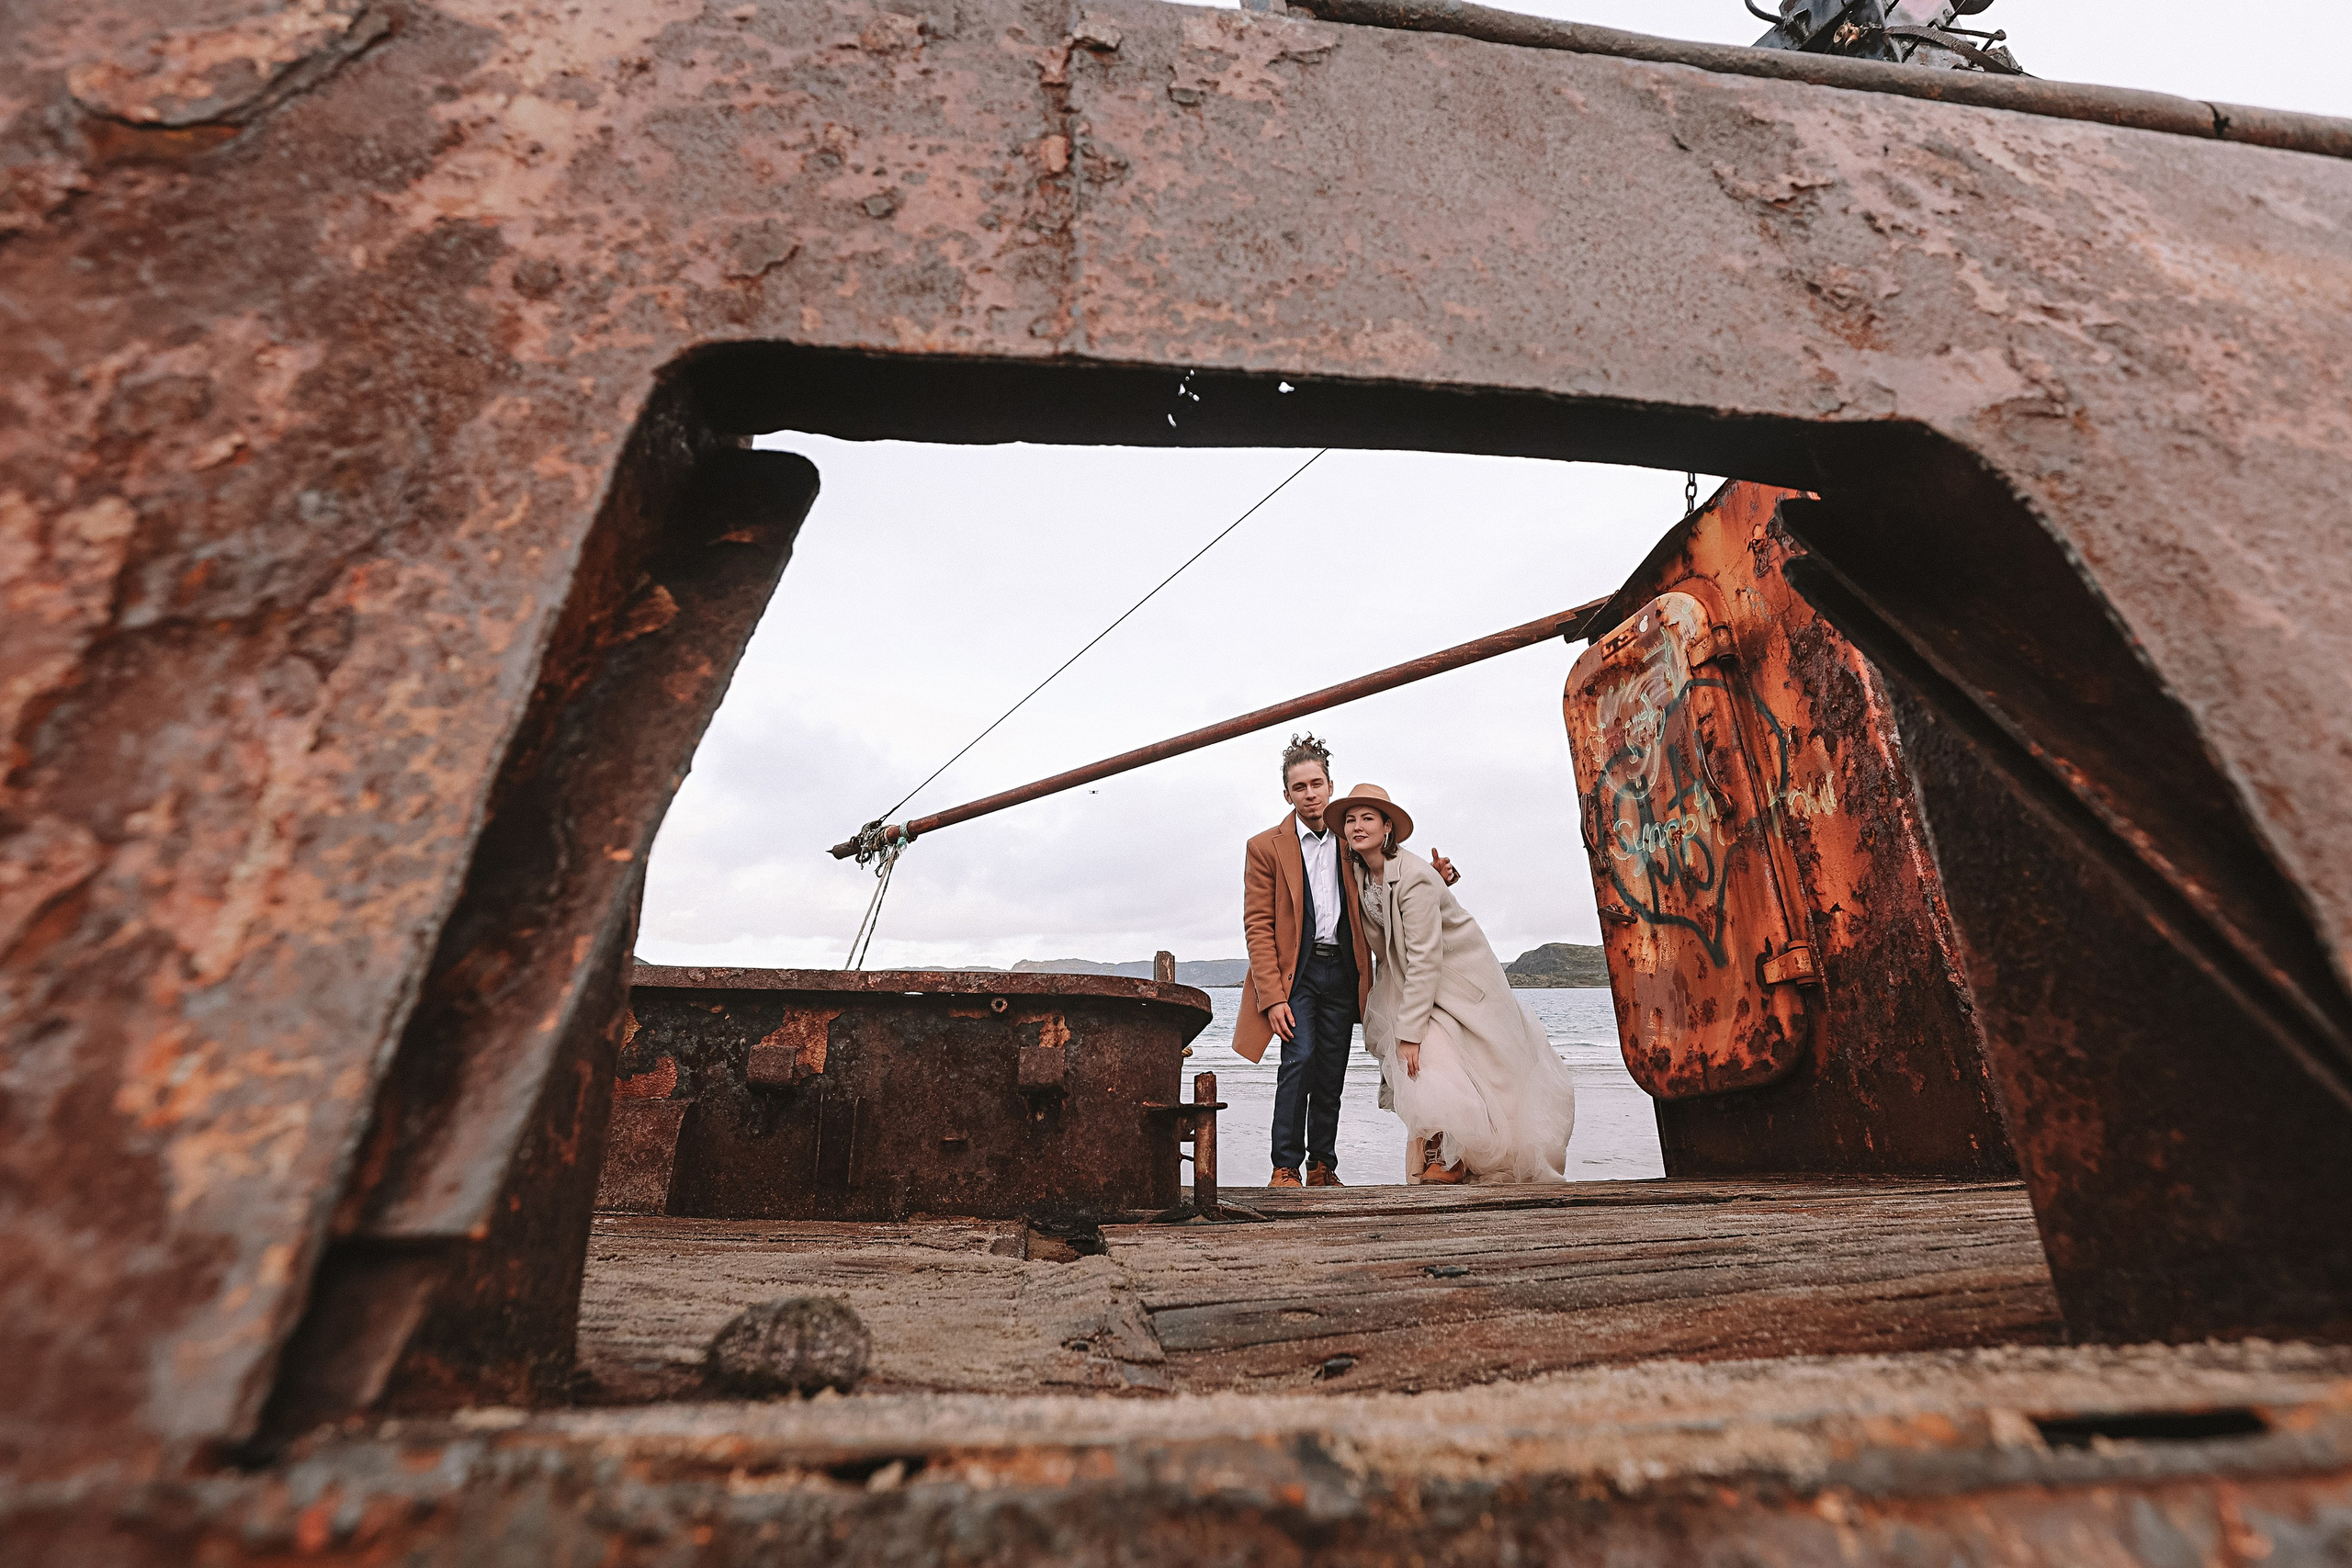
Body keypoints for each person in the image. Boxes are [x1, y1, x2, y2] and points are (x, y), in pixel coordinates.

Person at [1329, 782, 1577, 1184]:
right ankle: (1440, 1154)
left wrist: (1409, 1030)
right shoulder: (1359, 870)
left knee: (1430, 1051)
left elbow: (1426, 957)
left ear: (1387, 826)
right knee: (1426, 1059)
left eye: (1368, 818)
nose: (1357, 826)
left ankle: (1451, 1159)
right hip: (1408, 978)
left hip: (1458, 979)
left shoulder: (1414, 877)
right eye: (1351, 820)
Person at [1236, 736, 1455, 1189]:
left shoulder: (1351, 836)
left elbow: (1391, 872)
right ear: (1287, 795)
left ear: (1330, 786)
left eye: (1317, 783)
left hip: (1346, 971)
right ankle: (1284, 1166)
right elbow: (1257, 925)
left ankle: (1323, 1167)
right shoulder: (1264, 848)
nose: (1310, 793)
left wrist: (1437, 878)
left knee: (1332, 1068)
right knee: (1298, 1061)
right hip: (1296, 973)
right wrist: (1271, 996)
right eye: (1300, 787)